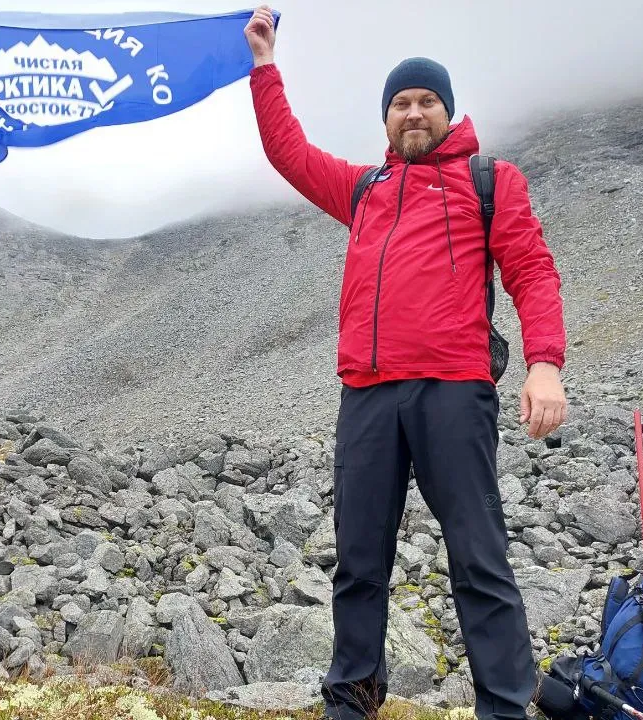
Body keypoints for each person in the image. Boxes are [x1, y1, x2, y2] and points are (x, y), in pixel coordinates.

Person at [243, 7, 569, 720]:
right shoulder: (365, 192)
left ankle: (506, 708)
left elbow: (533, 273)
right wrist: (265, 68)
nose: (413, 112)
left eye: (427, 102)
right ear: (386, 118)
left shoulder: (491, 181)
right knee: (360, 563)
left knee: (478, 559)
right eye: (401, 103)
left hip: (454, 390)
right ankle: (352, 702)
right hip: (367, 396)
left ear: (448, 113)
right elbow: (289, 154)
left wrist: (545, 364)